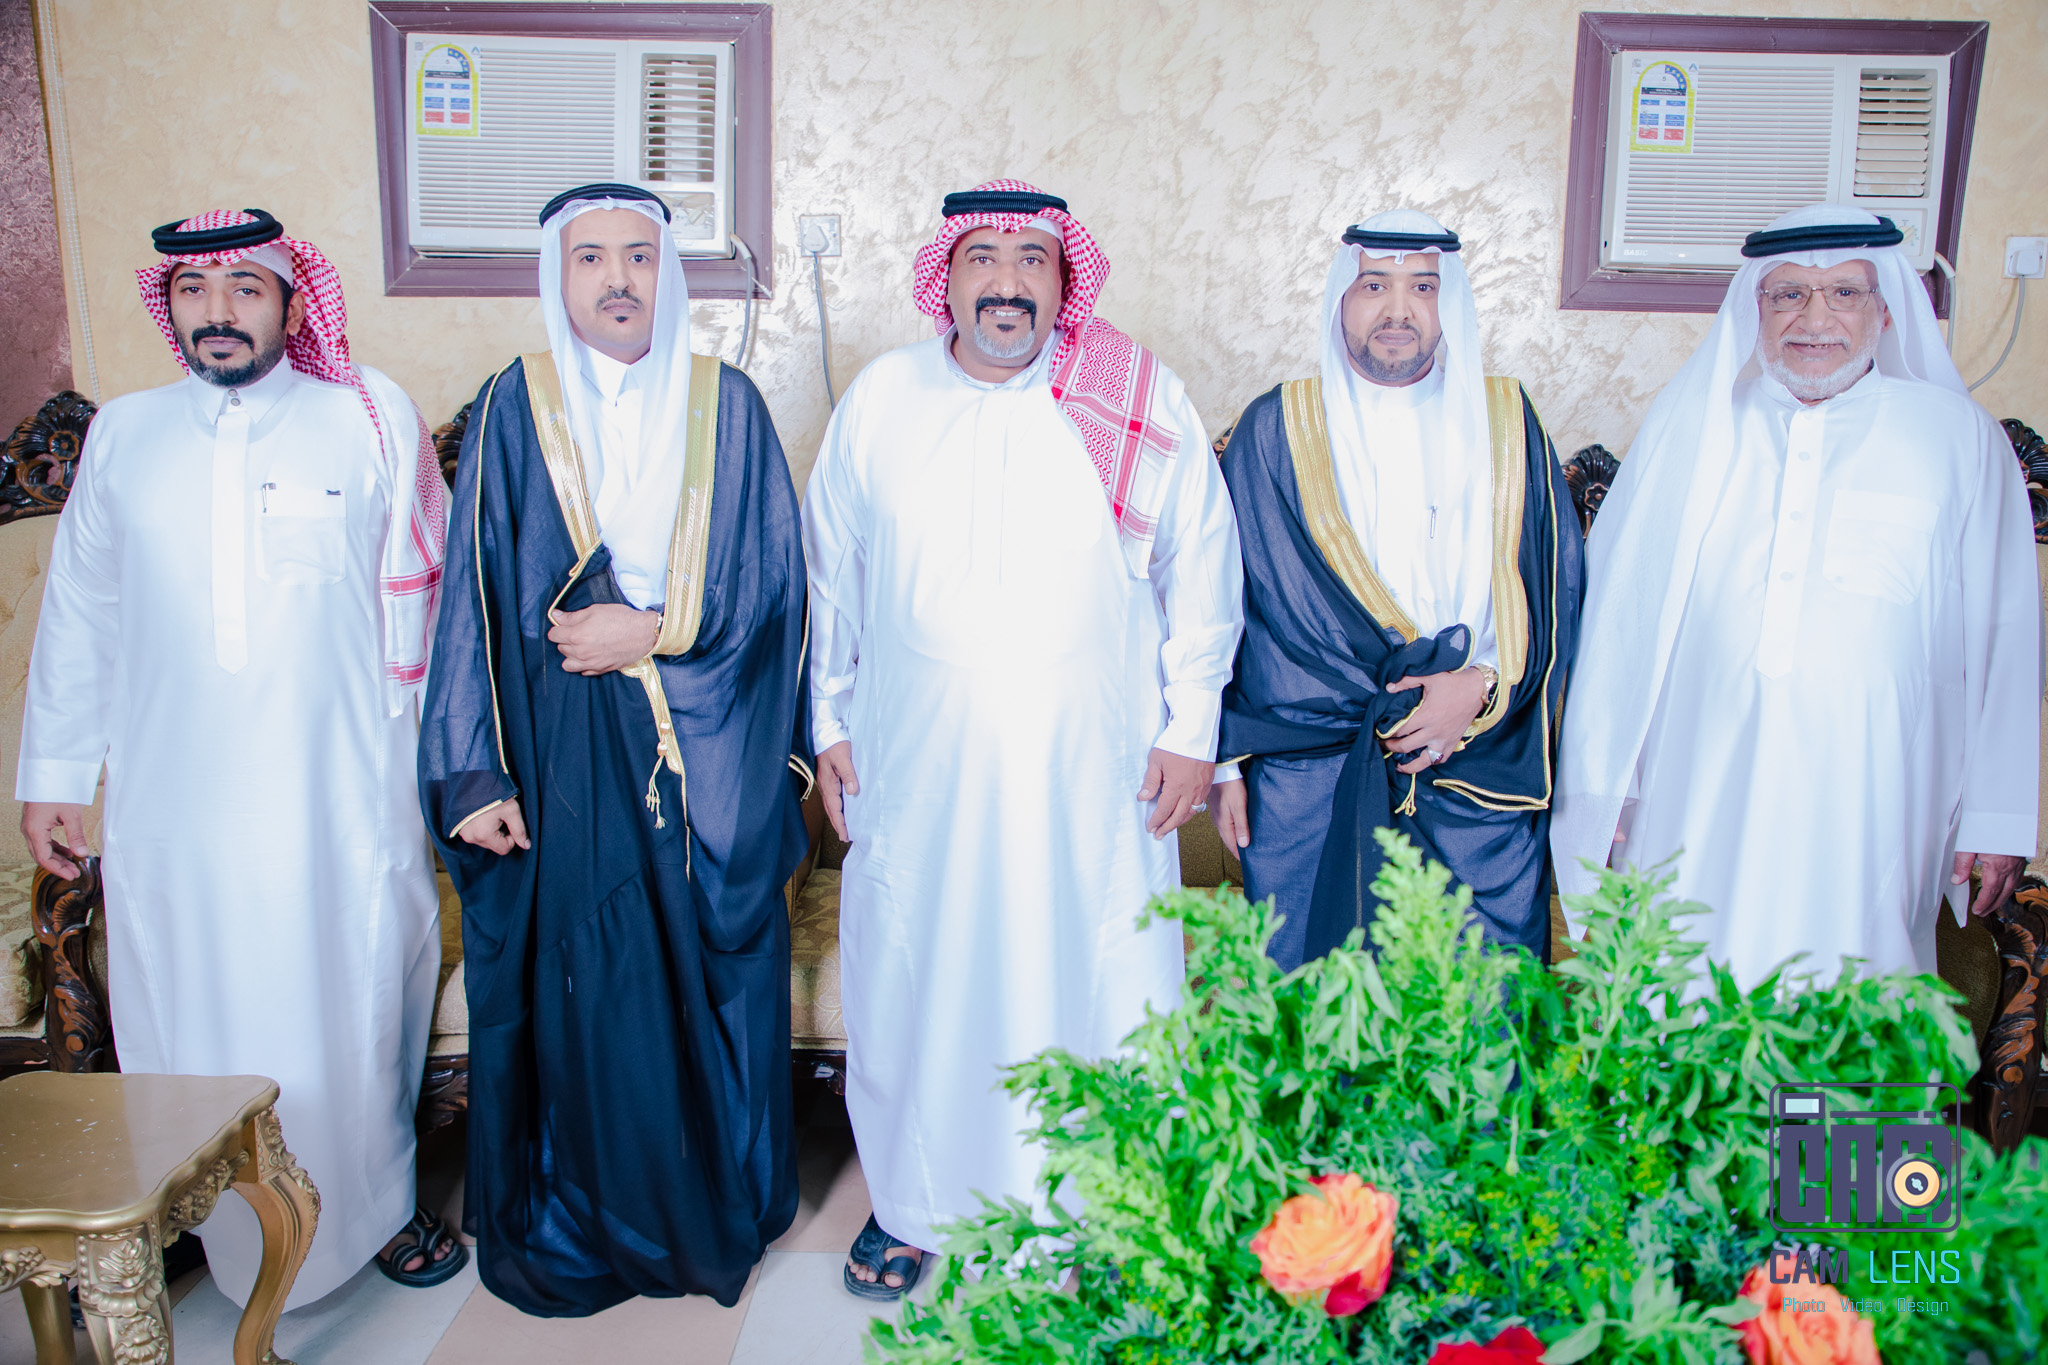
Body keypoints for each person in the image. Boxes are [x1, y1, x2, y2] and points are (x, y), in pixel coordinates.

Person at [803, 180, 1242, 1297]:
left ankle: (1100, 1207)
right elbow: (830, 577)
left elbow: (1203, 565)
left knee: (1098, 972)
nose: (1006, 282)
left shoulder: (1134, 394)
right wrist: (830, 720)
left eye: (1031, 259)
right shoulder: (883, 397)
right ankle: (912, 1205)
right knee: (919, 972)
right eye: (983, 258)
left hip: (1090, 767)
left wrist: (1192, 729)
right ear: (945, 278)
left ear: (1064, 279)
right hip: (920, 763)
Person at [16, 209, 460, 1302]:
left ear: (293, 303)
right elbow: (80, 612)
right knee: (183, 1007)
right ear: (168, 305)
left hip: (338, 793)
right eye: (194, 290)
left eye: (245, 288)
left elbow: (442, 602)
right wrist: (55, 777)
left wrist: (452, 770)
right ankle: (195, 1215)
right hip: (176, 798)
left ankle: (375, 1211)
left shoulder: (365, 416)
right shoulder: (126, 433)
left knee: (353, 1007)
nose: (217, 311)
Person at [418, 183, 809, 1315]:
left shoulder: (728, 404)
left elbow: (775, 586)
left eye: (638, 255)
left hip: (703, 751)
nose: (618, 278)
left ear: (666, 271)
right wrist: (474, 772)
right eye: (590, 257)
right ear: (560, 275)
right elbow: (470, 598)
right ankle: (589, 1209)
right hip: (556, 759)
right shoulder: (514, 403)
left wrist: (653, 632)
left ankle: (714, 1200)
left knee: (709, 969)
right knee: (586, 982)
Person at [1553, 204, 2041, 987]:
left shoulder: (1959, 440)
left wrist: (1997, 815)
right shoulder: (1696, 427)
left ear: (1886, 309)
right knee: (1683, 981)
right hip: (1692, 783)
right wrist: (1606, 785)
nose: (1816, 320)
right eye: (1789, 295)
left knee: (1854, 989)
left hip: (1878, 792)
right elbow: (1619, 623)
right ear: (1757, 308)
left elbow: (2007, 634)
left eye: (1844, 293)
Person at [1209, 210, 1583, 969]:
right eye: (1374, 285)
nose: (1398, 309)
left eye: (1424, 287)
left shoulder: (1506, 422)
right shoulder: (1277, 427)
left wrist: (1479, 684)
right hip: (1311, 762)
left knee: (1475, 1003)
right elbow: (1221, 602)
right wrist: (1222, 766)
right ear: (1340, 300)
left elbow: (1555, 590)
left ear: (1451, 304)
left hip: (1475, 756)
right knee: (1318, 998)